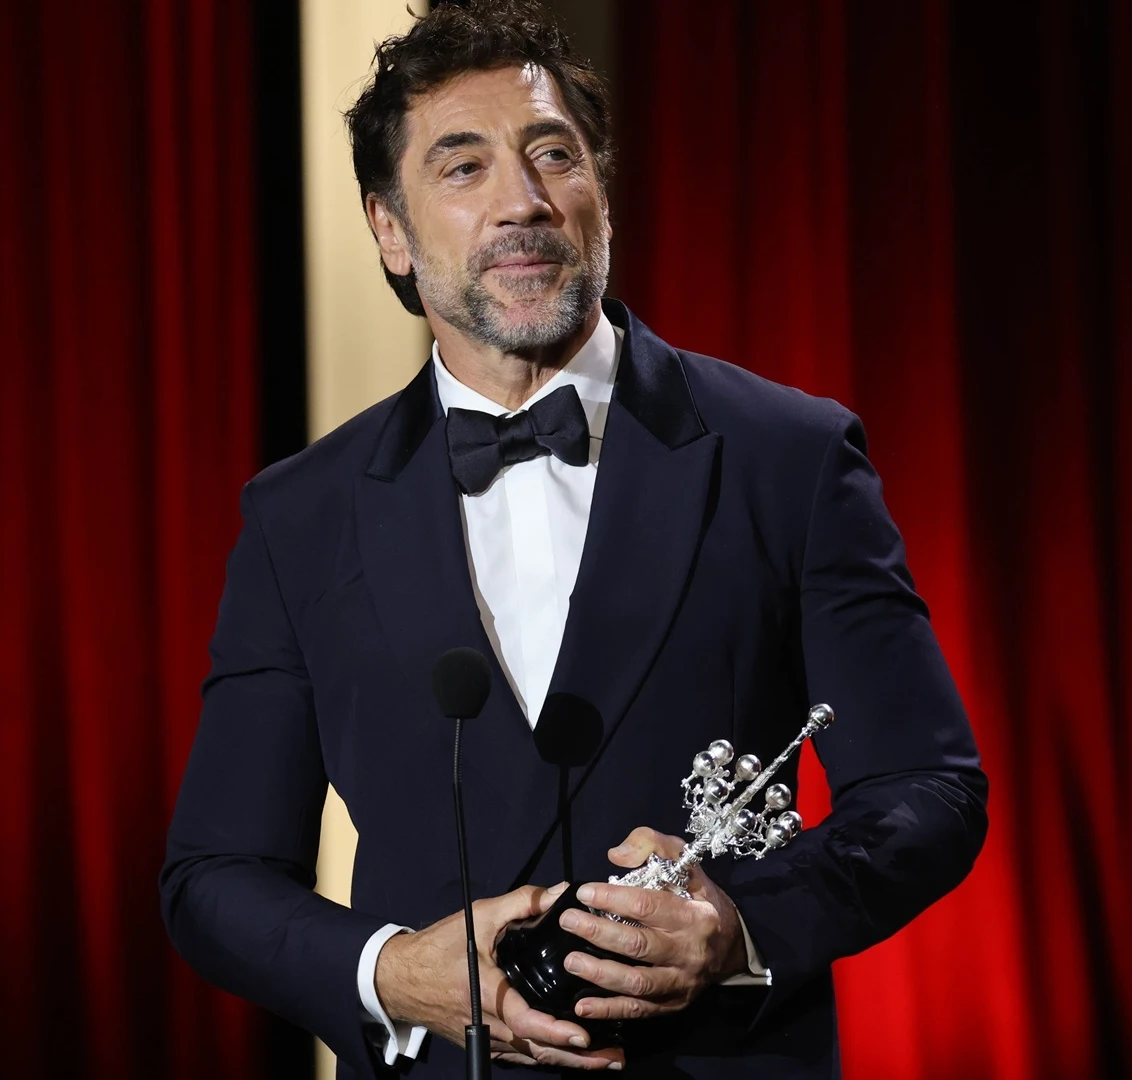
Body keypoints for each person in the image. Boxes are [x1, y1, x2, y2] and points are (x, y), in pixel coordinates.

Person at [161, 2, 987, 1075]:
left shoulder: (789, 454)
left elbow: (930, 788)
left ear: (600, 192)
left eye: (553, 153)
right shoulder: (300, 515)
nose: (523, 201)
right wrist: (389, 970)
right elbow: (214, 874)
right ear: (390, 230)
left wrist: (739, 927)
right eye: (463, 168)